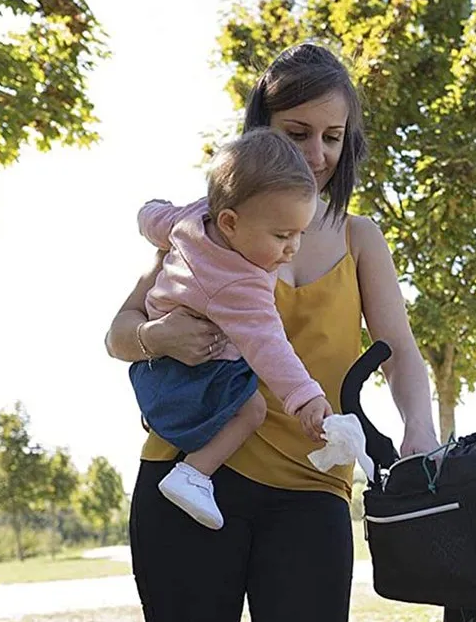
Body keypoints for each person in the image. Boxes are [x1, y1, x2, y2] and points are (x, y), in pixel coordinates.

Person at [104, 42, 440, 622]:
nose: (318, 153)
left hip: (307, 502)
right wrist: (159, 334)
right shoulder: (210, 219)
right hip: (188, 485)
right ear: (261, 128)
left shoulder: (358, 237)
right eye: (298, 131)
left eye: (334, 135)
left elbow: (400, 352)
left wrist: (422, 439)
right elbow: (118, 334)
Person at [130, 128, 332, 530]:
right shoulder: (240, 283)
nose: (292, 248)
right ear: (231, 222)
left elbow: (153, 218)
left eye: (299, 234)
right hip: (189, 376)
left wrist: (147, 207)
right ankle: (194, 474)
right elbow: (269, 347)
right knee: (253, 407)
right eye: (281, 235)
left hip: (153, 370)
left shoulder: (191, 216)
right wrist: (306, 398)